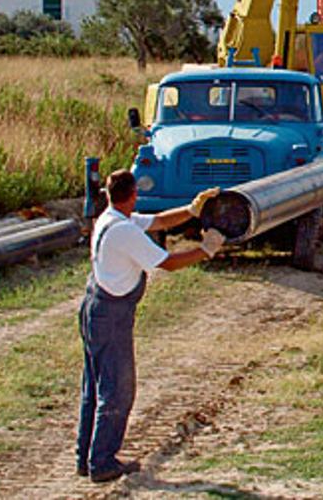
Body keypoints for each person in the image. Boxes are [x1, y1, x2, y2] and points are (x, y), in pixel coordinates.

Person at [76, 171, 225, 483]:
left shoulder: (112, 218)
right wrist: (206, 250)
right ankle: (102, 462)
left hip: (95, 308)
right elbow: (167, 262)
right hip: (111, 316)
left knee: (95, 386)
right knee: (117, 390)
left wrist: (191, 210)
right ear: (133, 195)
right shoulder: (124, 231)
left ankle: (87, 458)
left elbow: (157, 221)